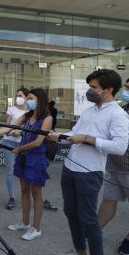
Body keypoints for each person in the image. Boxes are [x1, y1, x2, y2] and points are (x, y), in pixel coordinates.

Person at [48, 69, 129, 255]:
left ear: (107, 90)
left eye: (94, 87)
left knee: (89, 219)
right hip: (69, 167)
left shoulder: (118, 115)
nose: (89, 91)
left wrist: (87, 138)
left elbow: (119, 147)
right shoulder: (89, 111)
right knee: (70, 212)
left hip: (90, 173)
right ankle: (80, 251)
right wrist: (57, 136)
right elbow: (73, 134)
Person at [0, 88, 52, 241]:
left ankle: (36, 228)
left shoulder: (47, 119)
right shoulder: (27, 116)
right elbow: (9, 128)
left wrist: (19, 148)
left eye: (31, 98)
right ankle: (25, 223)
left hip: (35, 158)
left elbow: (38, 142)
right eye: (28, 99)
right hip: (23, 157)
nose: (28, 101)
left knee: (36, 194)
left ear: (40, 100)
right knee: (24, 191)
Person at [97, 78, 129, 255]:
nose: (126, 91)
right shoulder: (123, 109)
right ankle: (95, 230)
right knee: (109, 200)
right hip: (114, 165)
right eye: (126, 87)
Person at [1, 88, 29, 210]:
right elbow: (7, 127)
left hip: (24, 144)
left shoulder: (30, 112)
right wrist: (11, 132)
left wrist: (21, 132)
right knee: (10, 170)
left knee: (27, 169)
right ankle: (12, 197)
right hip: (9, 143)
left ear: (27, 97)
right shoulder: (11, 109)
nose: (18, 97)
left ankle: (34, 195)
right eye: (17, 95)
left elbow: (31, 129)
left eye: (20, 95)